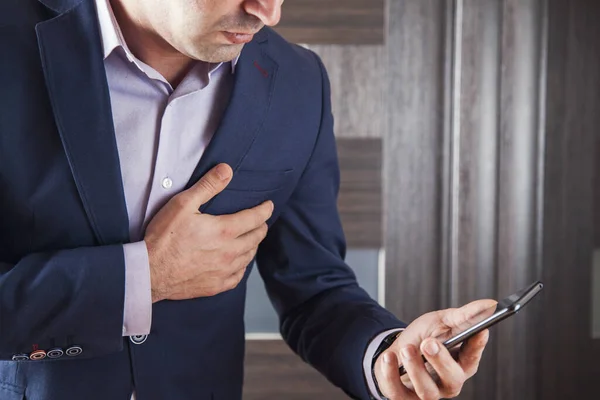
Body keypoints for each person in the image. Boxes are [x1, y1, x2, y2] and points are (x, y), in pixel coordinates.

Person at [0, 0, 495, 399]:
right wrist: (144, 277)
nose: (269, 11)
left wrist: (387, 353)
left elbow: (315, 289)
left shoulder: (298, 82)